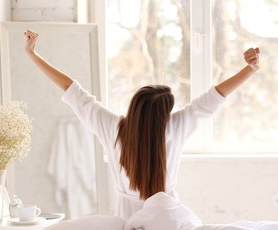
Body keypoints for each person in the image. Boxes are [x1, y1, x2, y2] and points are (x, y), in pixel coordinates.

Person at [24, 29, 260, 219]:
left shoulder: (113, 127)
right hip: (169, 220)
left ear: (135, 106)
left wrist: (33, 55)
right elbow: (216, 94)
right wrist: (249, 70)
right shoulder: (177, 125)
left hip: (127, 224)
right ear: (165, 115)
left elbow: (71, 88)